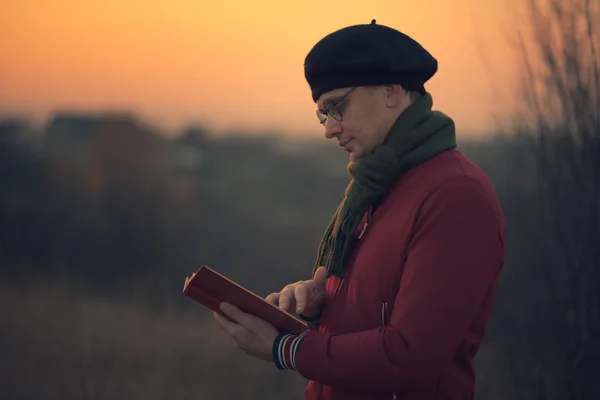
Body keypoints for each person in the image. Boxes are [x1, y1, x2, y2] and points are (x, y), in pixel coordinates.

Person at [213, 19, 506, 400]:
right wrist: (324, 307)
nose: (329, 129)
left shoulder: (456, 197)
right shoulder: (375, 188)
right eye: (323, 114)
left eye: (337, 107)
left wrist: (285, 348)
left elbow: (408, 358)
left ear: (391, 91)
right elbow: (377, 312)